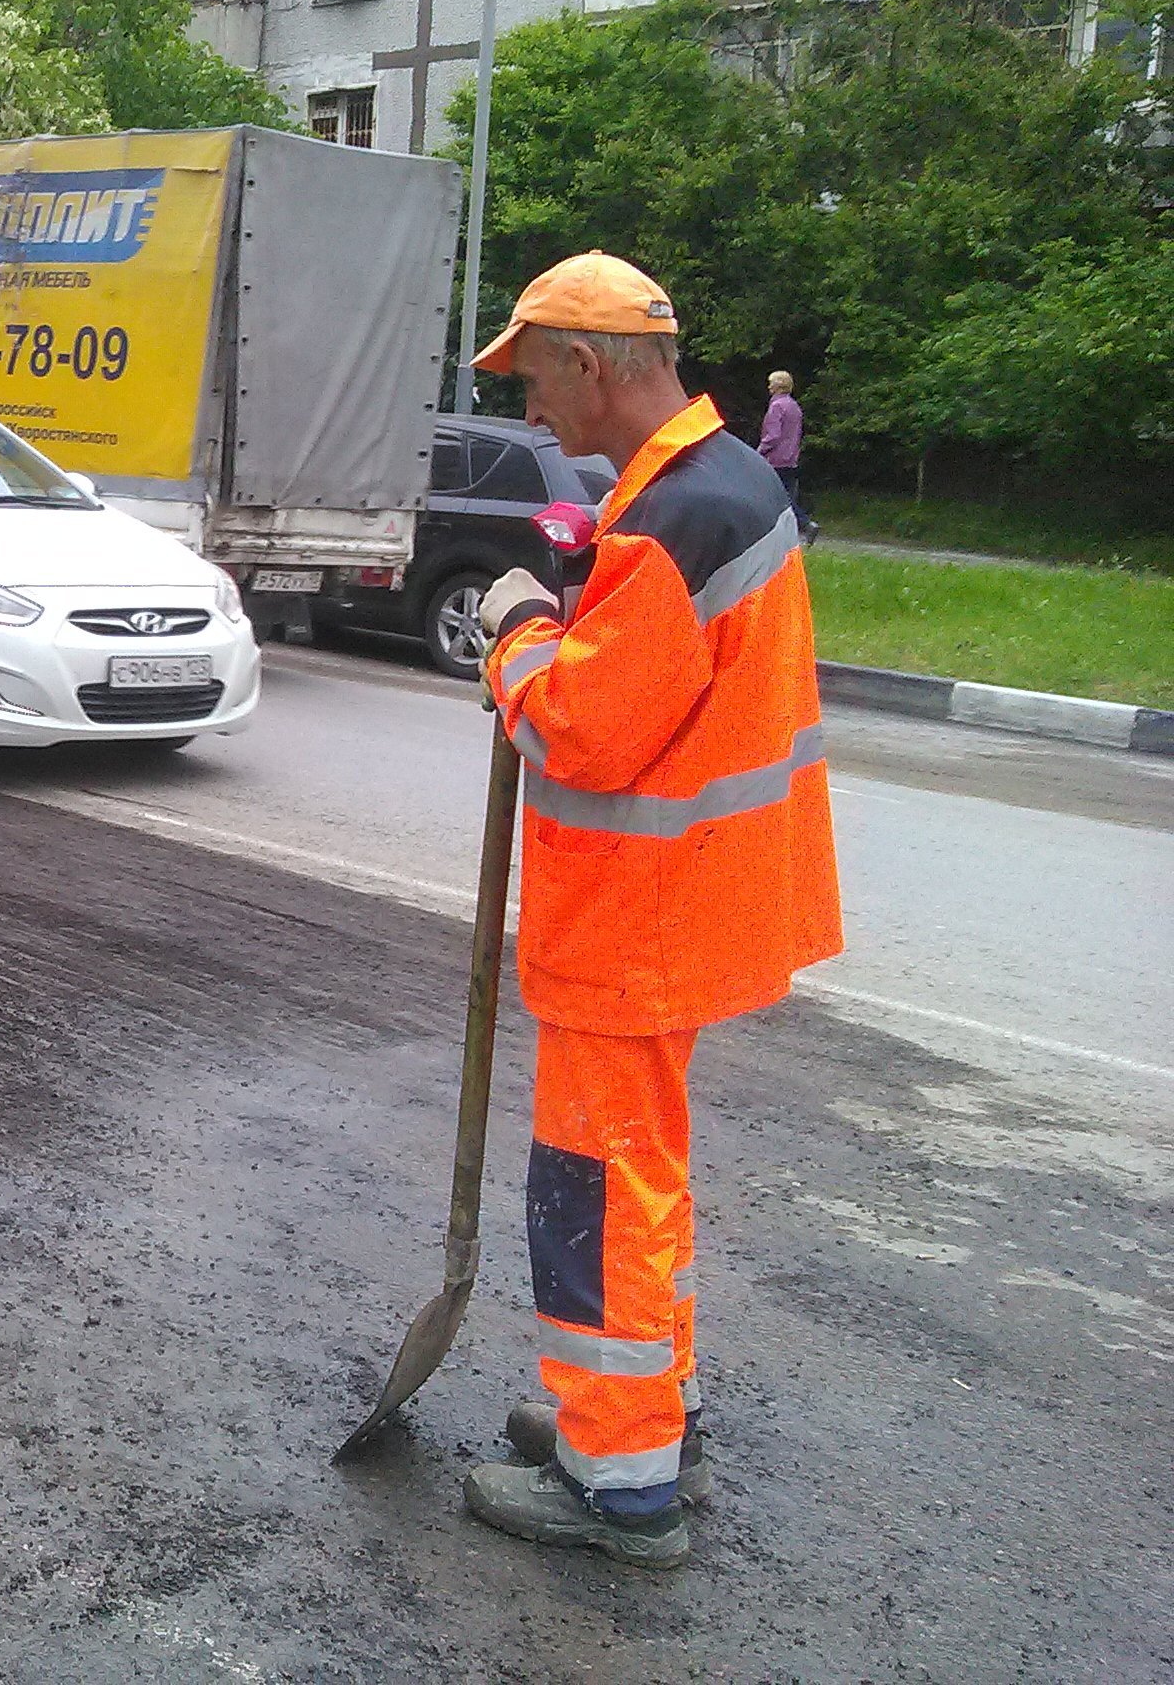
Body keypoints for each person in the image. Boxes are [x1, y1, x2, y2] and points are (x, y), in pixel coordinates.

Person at [460, 251, 843, 1570]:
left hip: (636, 932)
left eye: (534, 382)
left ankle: (617, 1483)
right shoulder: (721, 484)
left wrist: (515, 636)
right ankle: (643, 1411)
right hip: (683, 916)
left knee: (596, 1199)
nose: (532, 414)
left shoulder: (678, 518)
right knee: (641, 1187)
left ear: (594, 363)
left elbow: (580, 732)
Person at [757, 369, 813, 537]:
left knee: (777, 497)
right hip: (791, 458)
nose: (768, 387)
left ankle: (804, 523)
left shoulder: (776, 406)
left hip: (775, 459)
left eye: (770, 383)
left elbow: (773, 435)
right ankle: (790, 529)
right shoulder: (794, 406)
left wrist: (759, 451)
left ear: (776, 386)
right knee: (787, 496)